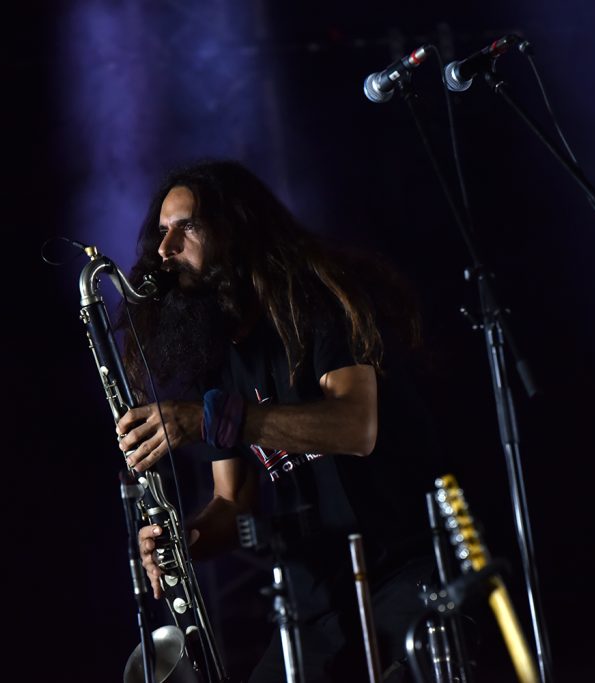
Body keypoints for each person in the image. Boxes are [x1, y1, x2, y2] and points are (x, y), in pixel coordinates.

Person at [116, 160, 439, 682]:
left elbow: (356, 427)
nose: (166, 248)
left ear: (235, 229)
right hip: (313, 601)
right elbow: (231, 501)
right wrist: (184, 540)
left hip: (400, 574)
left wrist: (213, 420)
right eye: (162, 231)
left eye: (187, 226)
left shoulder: (318, 300)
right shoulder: (216, 355)